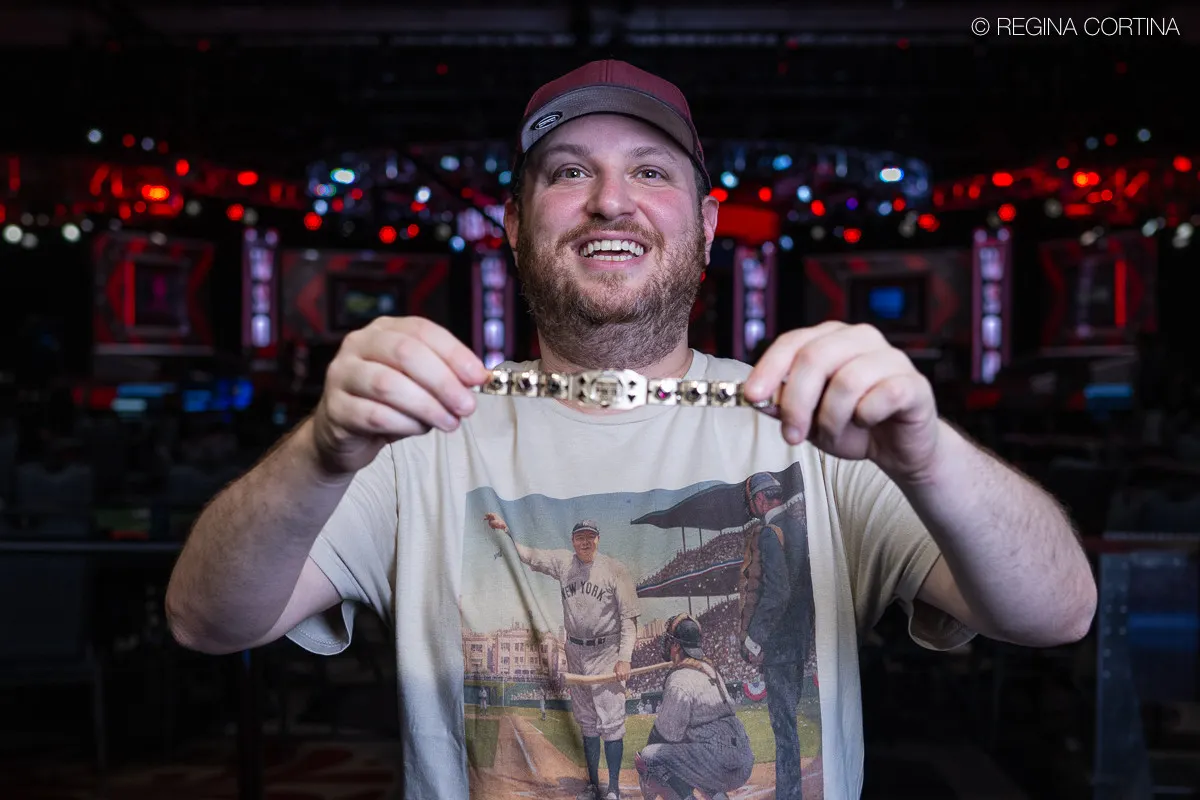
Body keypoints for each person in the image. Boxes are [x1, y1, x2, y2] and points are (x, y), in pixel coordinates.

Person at [164, 58, 1098, 800]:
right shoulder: (415, 439)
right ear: (514, 225)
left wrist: (929, 455)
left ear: (707, 224)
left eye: (650, 171)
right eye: (570, 172)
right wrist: (320, 451)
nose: (611, 201)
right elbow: (205, 621)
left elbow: (1056, 613)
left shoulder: (813, 432)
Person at [484, 513, 640, 800]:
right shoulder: (563, 562)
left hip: (606, 651)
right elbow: (530, 556)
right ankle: (593, 786)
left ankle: (614, 789)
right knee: (587, 722)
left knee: (612, 723)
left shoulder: (616, 570)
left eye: (590, 537)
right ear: (572, 540)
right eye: (580, 537)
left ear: (598, 540)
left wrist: (625, 657)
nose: (585, 542)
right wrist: (506, 531)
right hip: (575, 651)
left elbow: (629, 620)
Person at [737, 471, 814, 799]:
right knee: (790, 727)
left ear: (759, 499)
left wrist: (754, 637)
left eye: (752, 501)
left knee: (783, 730)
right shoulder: (798, 527)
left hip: (779, 645)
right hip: (798, 642)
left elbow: (777, 593)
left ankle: (789, 795)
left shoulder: (770, 534)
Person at [635, 614, 754, 800]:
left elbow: (666, 735)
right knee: (693, 756)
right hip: (743, 761)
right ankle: (719, 797)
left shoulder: (679, 679)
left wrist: (647, 768)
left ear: (676, 646)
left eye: (670, 642)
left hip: (718, 761)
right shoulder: (710, 669)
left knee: (649, 757)